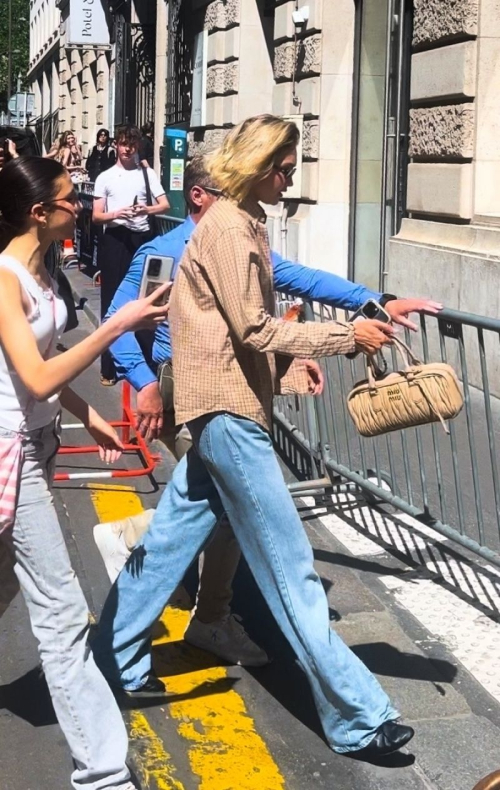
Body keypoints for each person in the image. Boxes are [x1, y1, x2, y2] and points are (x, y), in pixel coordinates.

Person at [92, 115, 415, 757]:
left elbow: (230, 331)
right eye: (285, 168)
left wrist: (345, 324)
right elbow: (256, 331)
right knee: (290, 567)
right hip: (230, 418)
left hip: (217, 410)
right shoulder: (230, 232)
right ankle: (358, 716)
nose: (290, 179)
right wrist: (347, 335)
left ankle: (111, 654)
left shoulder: (233, 228)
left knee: (166, 543)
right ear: (260, 165)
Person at [0, 155, 170, 789]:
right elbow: (38, 375)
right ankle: (103, 774)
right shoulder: (5, 277)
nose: (84, 204)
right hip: (12, 452)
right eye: (72, 198)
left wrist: (86, 416)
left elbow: (39, 366)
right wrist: (121, 323)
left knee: (6, 588)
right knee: (63, 614)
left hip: (38, 439)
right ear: (38, 213)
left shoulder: (40, 271)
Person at [92, 123, 170, 385]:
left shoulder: (147, 175)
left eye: (132, 144)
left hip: (143, 239)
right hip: (115, 239)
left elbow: (164, 205)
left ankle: (148, 362)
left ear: (137, 146)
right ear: (116, 145)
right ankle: (109, 367)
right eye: (124, 143)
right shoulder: (105, 177)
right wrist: (117, 213)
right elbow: (96, 216)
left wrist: (145, 210)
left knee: (148, 297)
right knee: (112, 300)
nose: (127, 148)